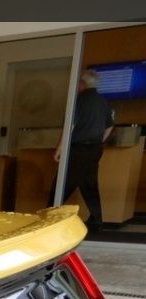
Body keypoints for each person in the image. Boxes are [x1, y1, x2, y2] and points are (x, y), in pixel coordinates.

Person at [51, 69, 114, 232]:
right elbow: (110, 125)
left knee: (64, 182)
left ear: (82, 84)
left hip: (78, 148)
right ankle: (97, 219)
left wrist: (59, 148)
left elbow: (70, 126)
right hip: (95, 149)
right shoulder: (103, 101)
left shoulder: (78, 101)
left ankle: (49, 214)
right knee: (89, 183)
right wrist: (99, 141)